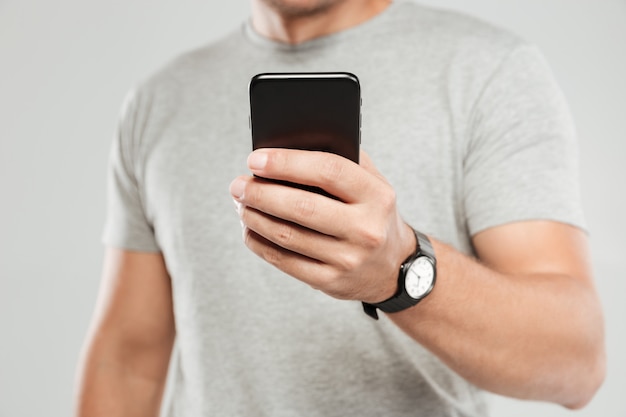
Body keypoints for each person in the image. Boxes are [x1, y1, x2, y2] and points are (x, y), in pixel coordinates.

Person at [75, 0, 606, 416]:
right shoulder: (159, 99)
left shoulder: (489, 71)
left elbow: (576, 361)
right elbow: (128, 360)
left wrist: (400, 272)